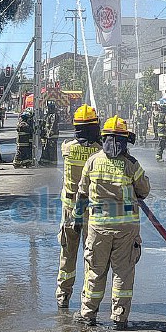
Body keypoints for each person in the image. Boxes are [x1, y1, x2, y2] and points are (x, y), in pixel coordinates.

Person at [73, 115, 150, 330]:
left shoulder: (93, 161)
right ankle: (120, 317)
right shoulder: (131, 165)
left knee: (95, 271)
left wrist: (78, 219)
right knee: (123, 274)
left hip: (98, 227)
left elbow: (81, 193)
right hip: (126, 230)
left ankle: (88, 314)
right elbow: (144, 191)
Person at [56, 105, 102, 308]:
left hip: (69, 211)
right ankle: (87, 298)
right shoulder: (101, 152)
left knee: (68, 253)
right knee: (90, 254)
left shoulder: (67, 148)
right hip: (92, 212)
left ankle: (63, 295)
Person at [41, 101, 60, 166]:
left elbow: (53, 125)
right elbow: (45, 124)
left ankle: (52, 163)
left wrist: (50, 133)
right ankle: (46, 161)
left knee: (52, 150)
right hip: (48, 136)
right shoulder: (48, 115)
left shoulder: (54, 115)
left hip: (52, 136)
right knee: (46, 149)